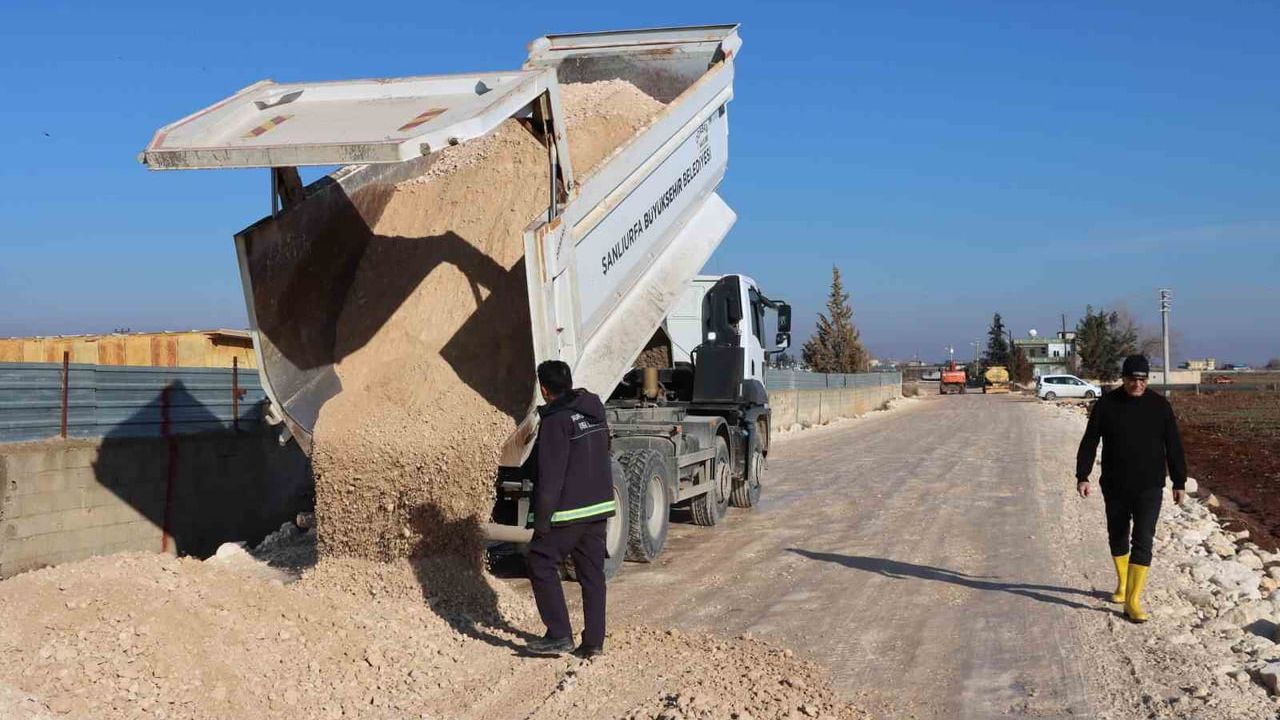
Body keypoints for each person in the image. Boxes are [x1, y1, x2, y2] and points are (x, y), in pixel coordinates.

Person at [1076, 354, 1188, 623]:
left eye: (1142, 379)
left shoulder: (1160, 406)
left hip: (1149, 485)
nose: (1138, 384)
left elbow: (1173, 444)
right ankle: (1123, 584)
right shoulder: (1106, 405)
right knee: (1117, 535)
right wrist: (1083, 475)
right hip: (1115, 484)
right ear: (1123, 378)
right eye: (1132, 379)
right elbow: (1090, 441)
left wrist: (1179, 481)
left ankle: (1133, 600)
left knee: (1143, 539)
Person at [524, 360, 616, 657]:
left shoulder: (556, 420)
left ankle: (559, 635)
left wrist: (541, 521)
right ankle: (593, 642)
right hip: (599, 507)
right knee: (592, 574)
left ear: (543, 388)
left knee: (540, 561)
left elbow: (551, 475)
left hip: (568, 512)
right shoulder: (594, 410)